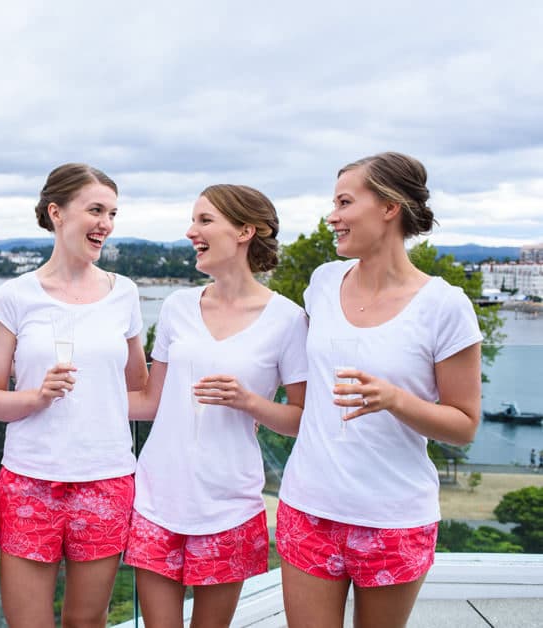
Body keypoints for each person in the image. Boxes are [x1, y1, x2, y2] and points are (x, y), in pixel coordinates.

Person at [277, 152, 482, 628]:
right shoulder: (323, 282)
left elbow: (465, 425)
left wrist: (396, 400)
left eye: (345, 202)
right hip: (309, 505)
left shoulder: (444, 306)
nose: (332, 215)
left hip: (393, 517)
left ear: (389, 207)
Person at [125, 185, 308, 627]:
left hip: (229, 504)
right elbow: (151, 400)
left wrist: (249, 402)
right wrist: (61, 396)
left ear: (246, 230)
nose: (191, 231)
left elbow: (301, 420)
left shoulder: (288, 320)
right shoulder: (177, 307)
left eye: (205, 220)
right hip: (156, 498)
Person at [0, 163, 148, 628]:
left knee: (86, 622)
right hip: (30, 481)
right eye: (95, 210)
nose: (106, 224)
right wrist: (36, 397)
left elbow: (138, 389)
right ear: (56, 212)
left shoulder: (125, 294)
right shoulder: (15, 296)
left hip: (106, 478)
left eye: (112, 213)